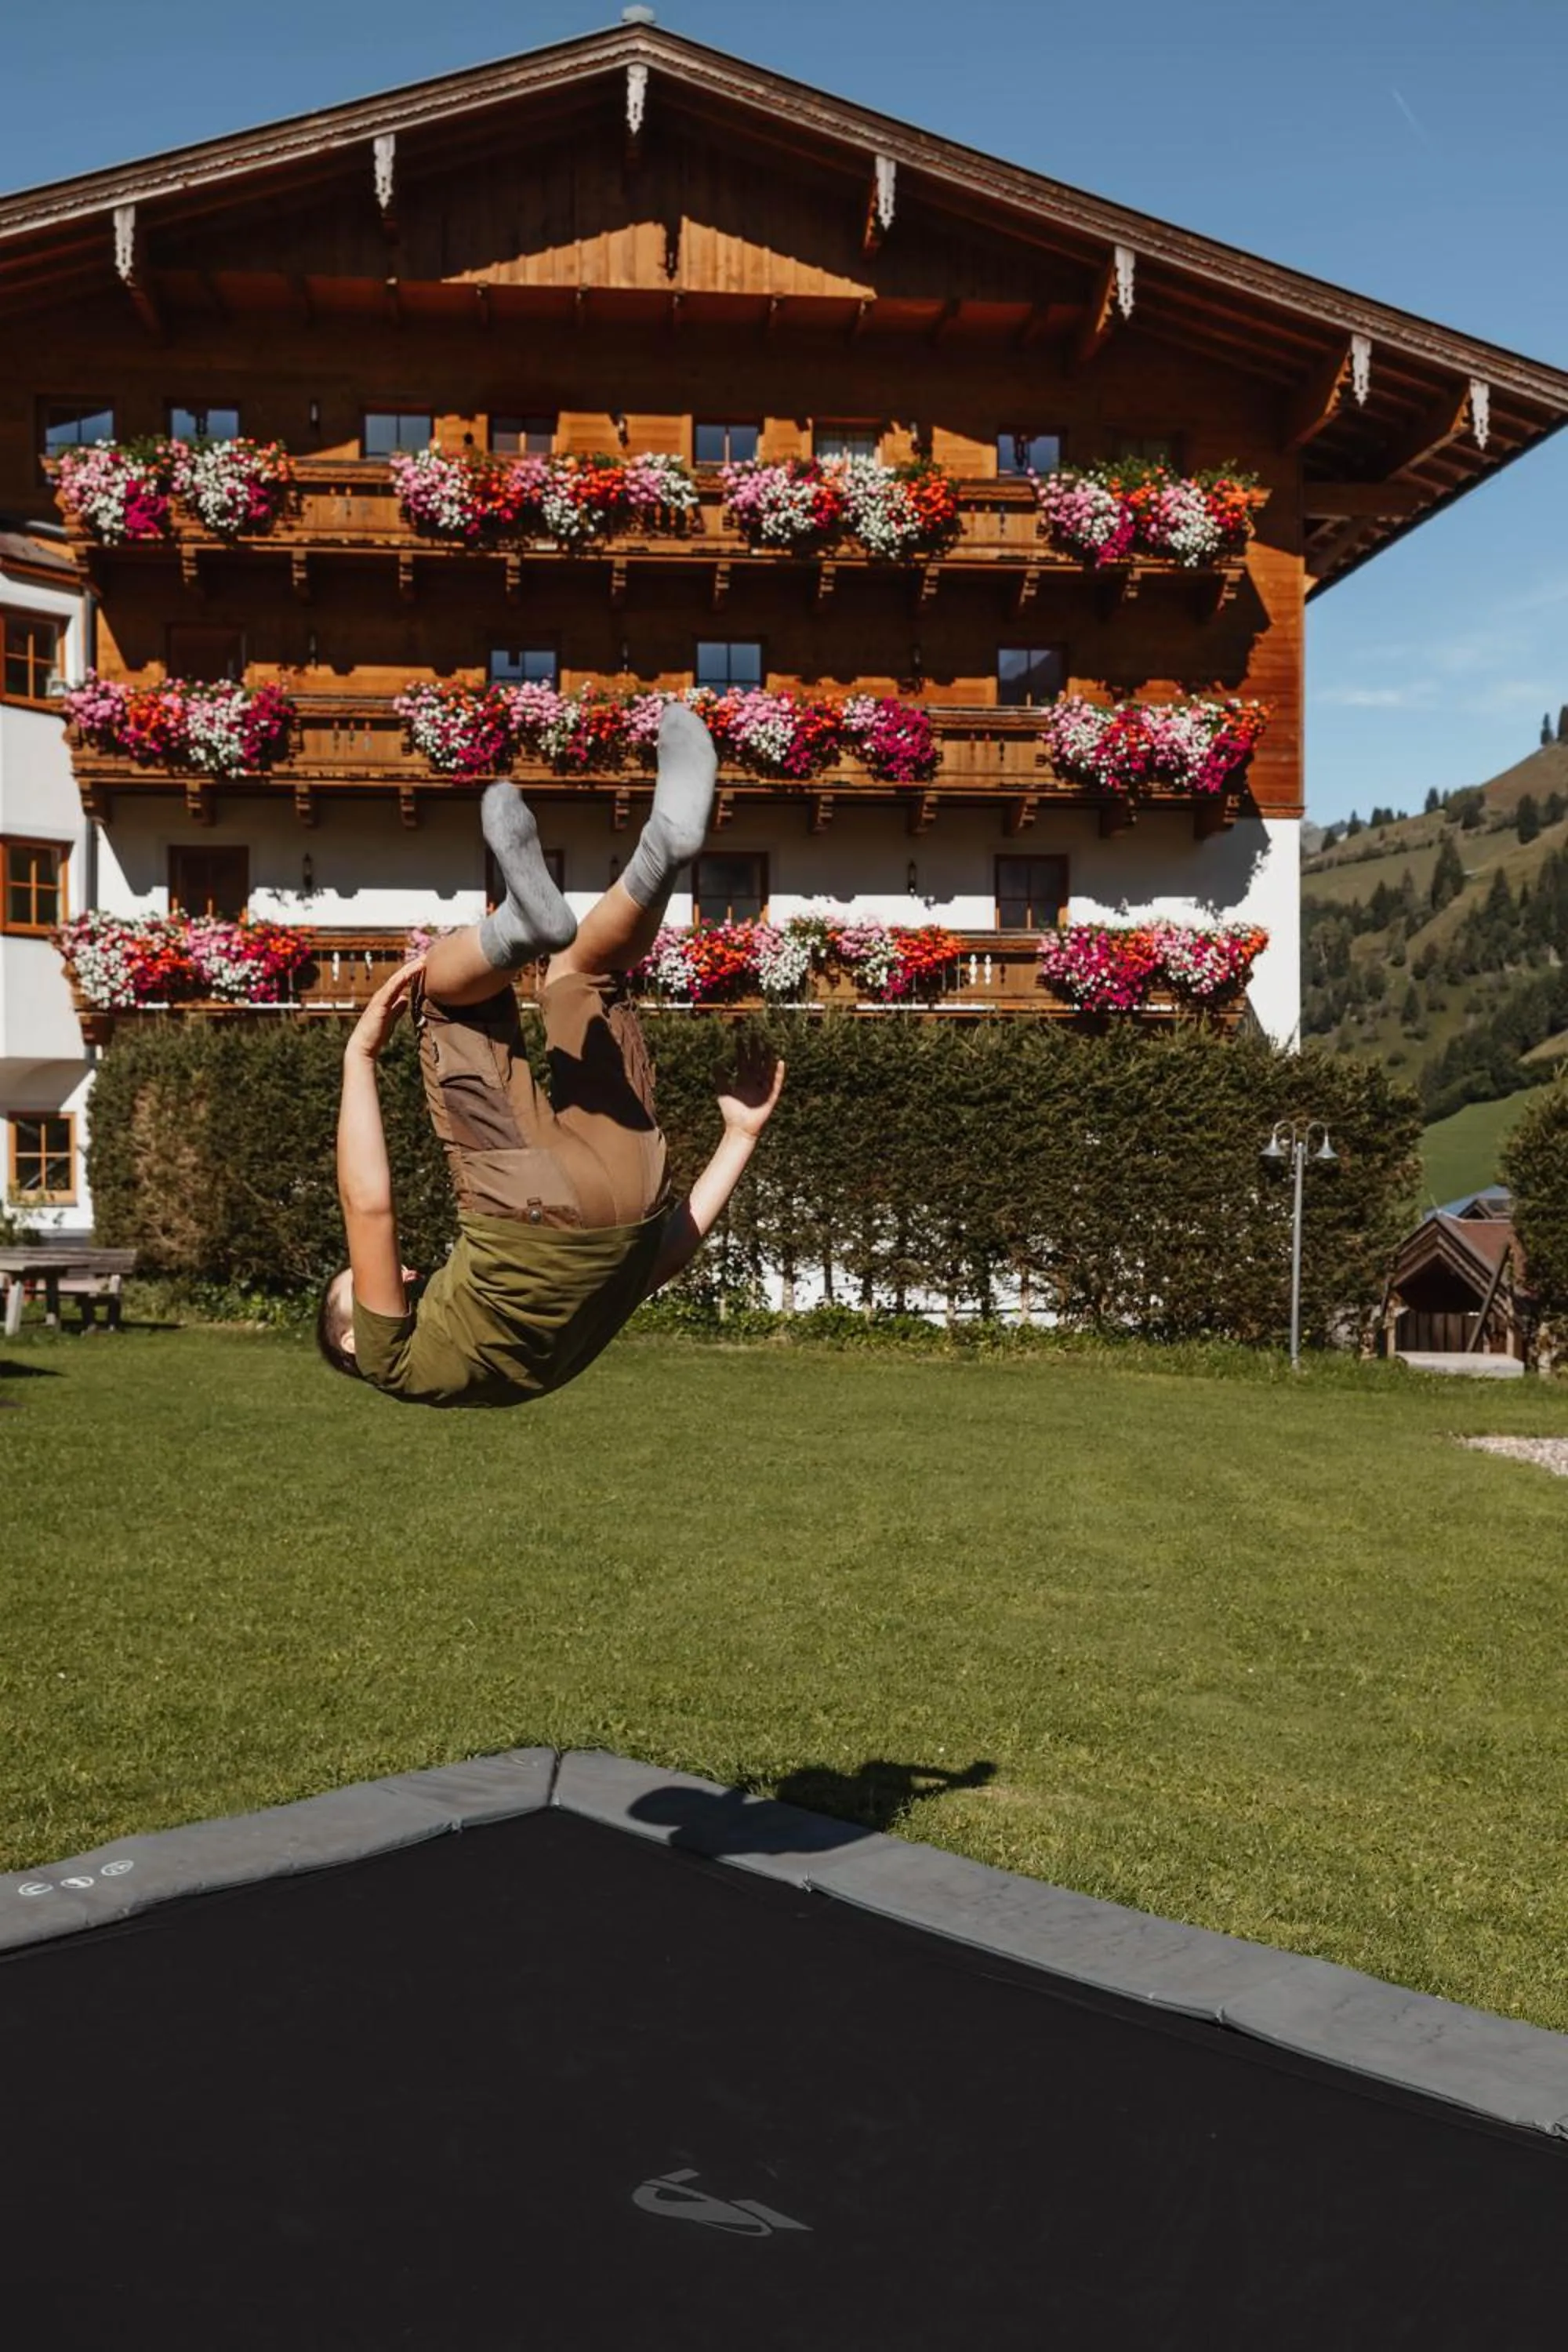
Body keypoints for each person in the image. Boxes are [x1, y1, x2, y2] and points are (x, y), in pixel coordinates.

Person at [318, 702, 783, 1406]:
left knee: (583, 974)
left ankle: (663, 851)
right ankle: (516, 927)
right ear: (353, 1340)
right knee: (447, 1001)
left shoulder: (527, 1365)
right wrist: (359, 1060)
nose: (400, 1272)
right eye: (360, 1284)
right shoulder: (390, 1362)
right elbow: (369, 1206)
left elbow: (667, 1254)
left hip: (634, 1201)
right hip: (528, 1215)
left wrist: (741, 1135)